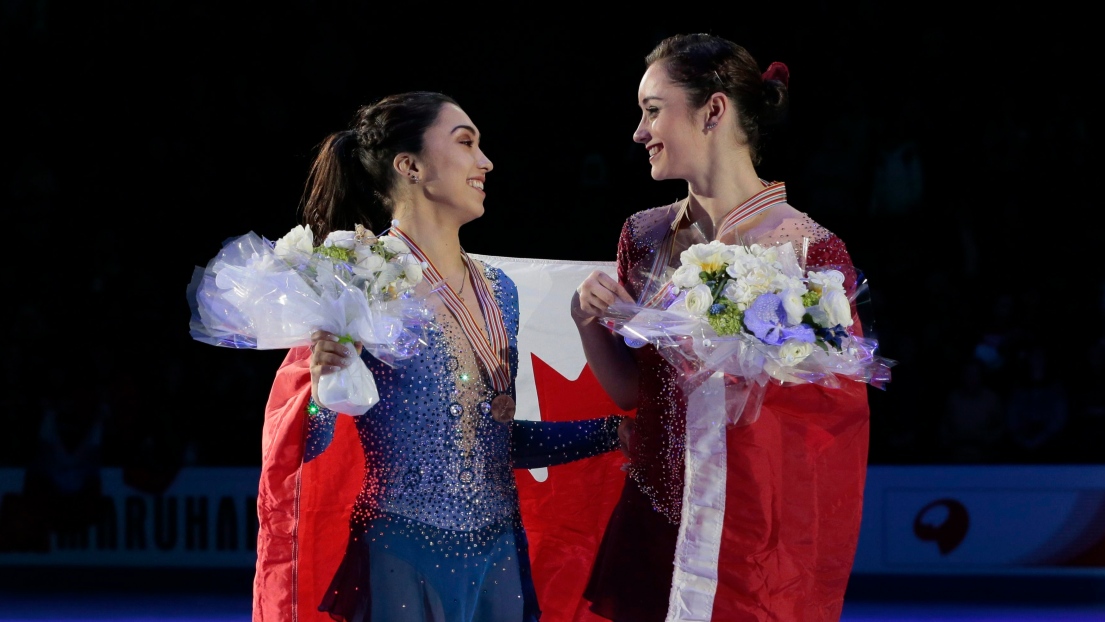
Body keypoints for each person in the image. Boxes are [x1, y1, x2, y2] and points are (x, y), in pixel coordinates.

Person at [254, 92, 628, 622]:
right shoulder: (362, 279)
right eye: (466, 143)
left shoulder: (499, 292)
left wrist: (612, 432)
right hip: (400, 557)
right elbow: (309, 444)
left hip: (499, 558)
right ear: (410, 166)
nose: (486, 161)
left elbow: (494, 444)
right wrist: (321, 390)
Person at [571, 34, 872, 622]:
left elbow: (827, 424)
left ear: (714, 110)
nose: (639, 132)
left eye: (653, 110)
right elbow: (636, 393)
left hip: (750, 536)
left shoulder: (810, 250)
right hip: (655, 516)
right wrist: (587, 324)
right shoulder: (645, 234)